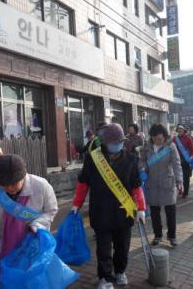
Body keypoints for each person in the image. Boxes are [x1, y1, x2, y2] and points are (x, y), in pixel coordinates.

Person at [71, 123, 146, 289]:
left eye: (121, 141)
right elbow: (83, 184)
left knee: (122, 247)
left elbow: (136, 185)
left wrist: (141, 208)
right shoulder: (93, 158)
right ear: (105, 142)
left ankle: (120, 271)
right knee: (103, 249)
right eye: (115, 141)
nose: (118, 144)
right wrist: (76, 204)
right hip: (101, 211)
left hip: (124, 212)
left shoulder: (130, 159)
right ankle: (105, 278)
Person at [0, 154, 58, 277]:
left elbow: (51, 210)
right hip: (5, 249)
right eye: (4, 184)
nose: (9, 187)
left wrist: (38, 224)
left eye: (14, 183)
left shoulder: (41, 186)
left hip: (34, 248)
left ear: (23, 176)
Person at [140, 123, 183, 247]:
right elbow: (142, 161)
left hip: (167, 182)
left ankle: (172, 236)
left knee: (170, 212)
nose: (157, 141)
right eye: (154, 138)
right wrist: (142, 168)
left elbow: (177, 164)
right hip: (152, 183)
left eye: (159, 138)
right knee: (154, 212)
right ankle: (157, 235)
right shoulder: (147, 147)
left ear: (164, 136)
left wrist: (179, 181)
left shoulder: (171, 146)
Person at [172, 124, 193, 198]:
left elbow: (192, 149)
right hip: (177, 160)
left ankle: (185, 192)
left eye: (181, 129)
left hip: (185, 160)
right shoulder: (174, 139)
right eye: (178, 129)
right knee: (177, 176)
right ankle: (179, 189)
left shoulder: (188, 138)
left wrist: (191, 157)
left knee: (186, 177)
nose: (180, 130)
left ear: (184, 130)